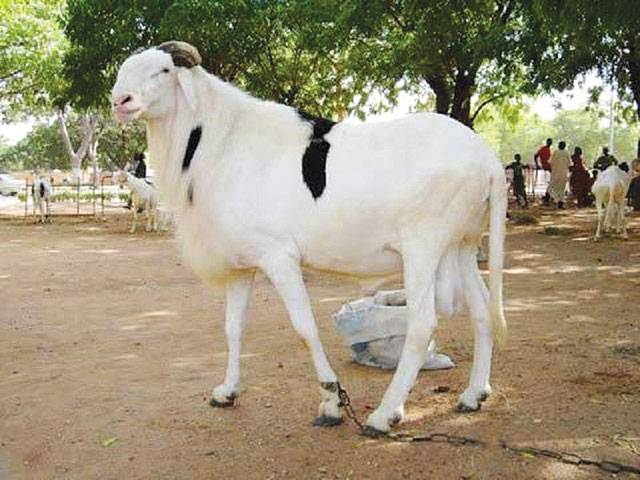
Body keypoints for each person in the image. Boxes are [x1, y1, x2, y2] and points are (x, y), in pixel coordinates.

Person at [549, 140, 571, 209]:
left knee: (555, 187)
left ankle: (558, 201)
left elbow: (551, 162)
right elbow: (569, 163)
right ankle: (560, 201)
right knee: (562, 188)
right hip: (563, 173)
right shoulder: (566, 153)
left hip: (555, 173)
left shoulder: (555, 152)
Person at [534, 138, 553, 204]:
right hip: (546, 167)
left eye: (551, 142)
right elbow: (535, 156)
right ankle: (547, 195)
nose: (550, 143)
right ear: (547, 142)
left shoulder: (549, 150)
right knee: (551, 181)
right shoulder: (543, 149)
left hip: (550, 167)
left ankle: (549, 195)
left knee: (552, 181)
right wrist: (537, 165)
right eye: (549, 141)